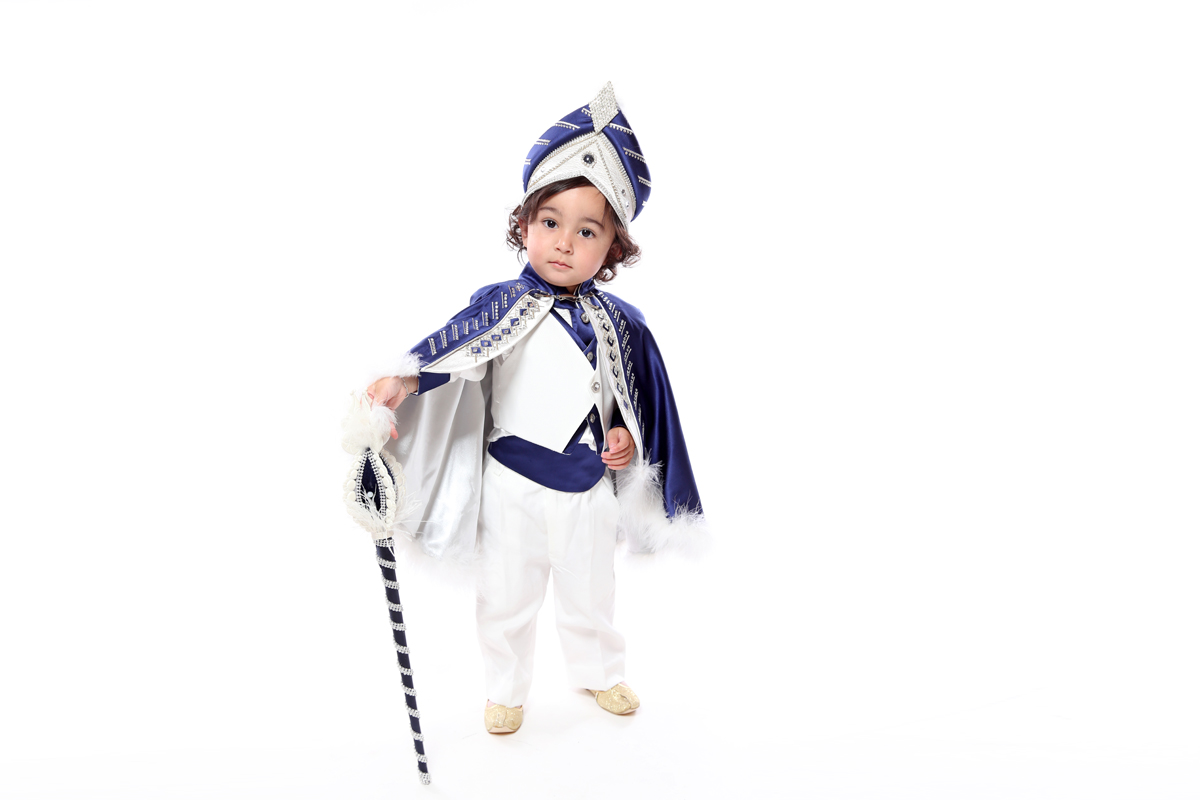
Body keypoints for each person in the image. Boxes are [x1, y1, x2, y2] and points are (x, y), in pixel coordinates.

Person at [362, 83, 706, 735]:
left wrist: (624, 439)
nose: (564, 243)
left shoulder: (621, 324)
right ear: (523, 225)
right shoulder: (499, 306)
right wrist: (402, 380)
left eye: (587, 231)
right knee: (506, 595)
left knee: (591, 590)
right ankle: (505, 688)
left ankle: (599, 671)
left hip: (586, 487)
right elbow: (456, 352)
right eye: (550, 223)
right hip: (511, 483)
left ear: (612, 249)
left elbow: (629, 400)